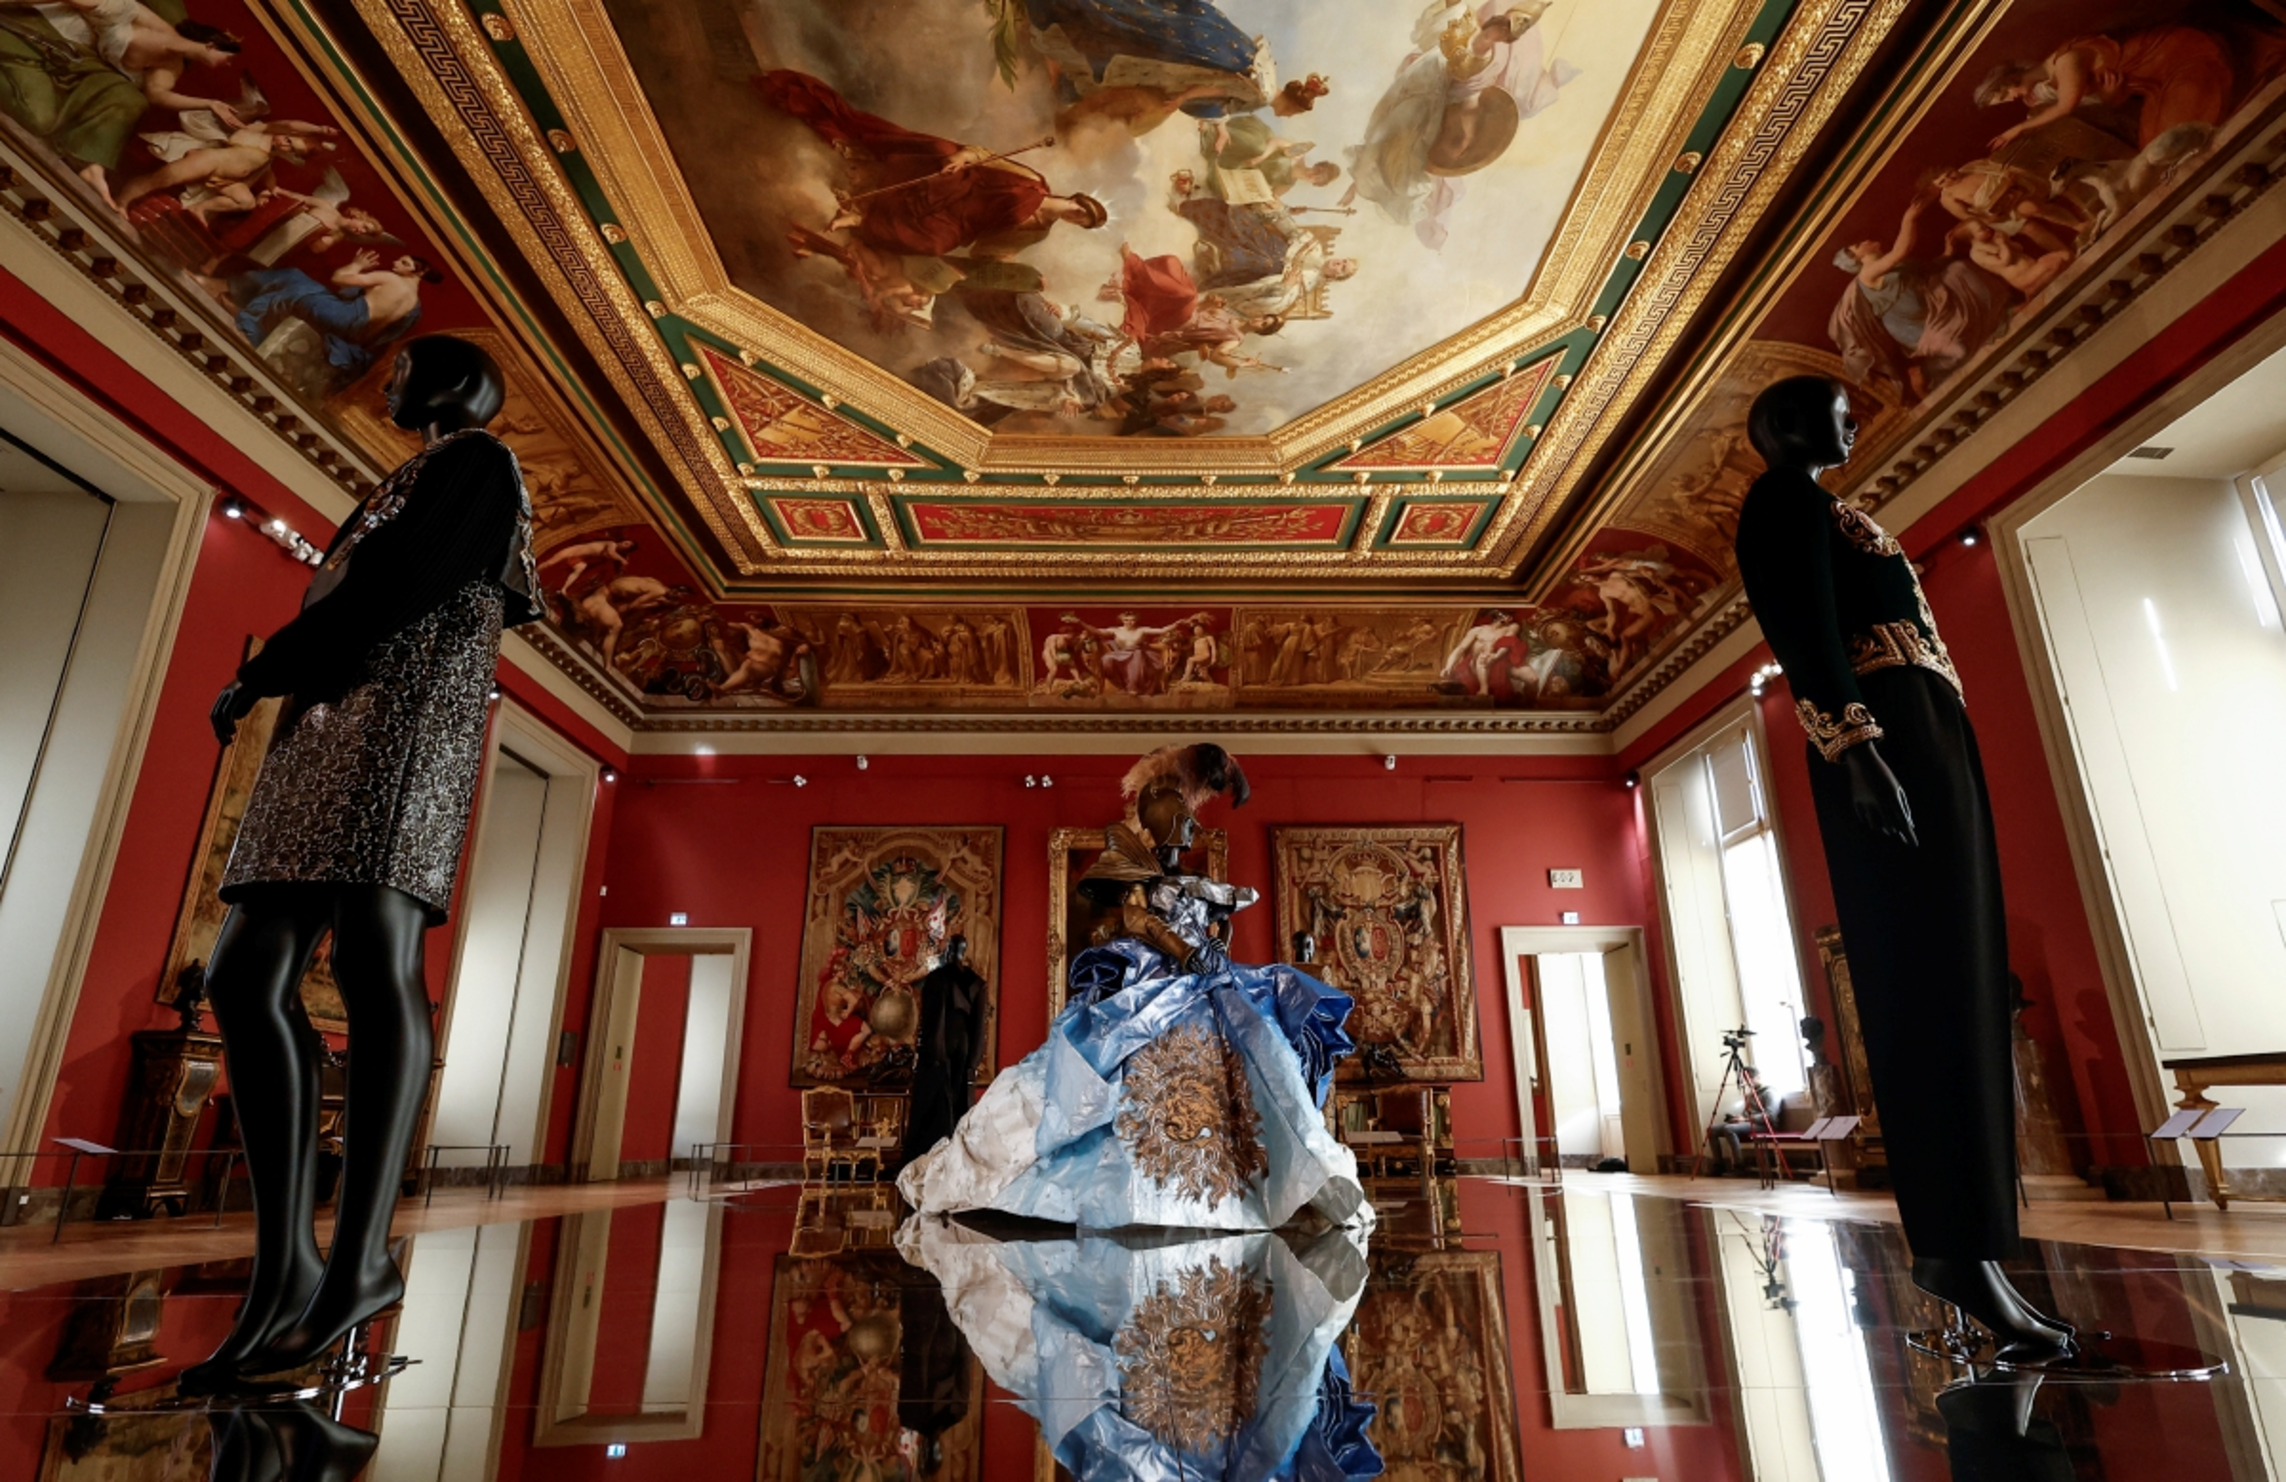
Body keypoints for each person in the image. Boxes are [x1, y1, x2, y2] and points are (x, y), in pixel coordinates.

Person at [188, 335, 539, 1392]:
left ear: (453, 383)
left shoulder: (480, 463)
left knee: (375, 960)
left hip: (402, 725)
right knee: (241, 977)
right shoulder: (412, 472)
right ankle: (286, 1263)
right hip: (327, 724)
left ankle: (360, 1258)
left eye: (400, 370)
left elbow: (402, 584)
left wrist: (269, 668)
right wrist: (281, 679)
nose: (383, 382)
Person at [1732, 374, 2075, 1363]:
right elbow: (1802, 628)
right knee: (1929, 979)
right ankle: (1956, 1249)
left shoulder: (1829, 507)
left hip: (1919, 729)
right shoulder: (1781, 502)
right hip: (1882, 734)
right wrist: (1854, 744)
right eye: (1838, 411)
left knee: (1961, 976)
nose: (1853, 422)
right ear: (1788, 422)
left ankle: (1978, 1249)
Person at [899, 744, 1365, 1229]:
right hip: (1156, 981)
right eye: (1184, 820)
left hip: (1209, 979)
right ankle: (1141, 1184)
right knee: (1116, 1058)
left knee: (1263, 1048)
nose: (1192, 828)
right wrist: (1184, 951)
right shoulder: (1139, 876)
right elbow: (1138, 920)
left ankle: (1302, 1169)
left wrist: (1214, 946)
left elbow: (1219, 920)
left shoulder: (1195, 882)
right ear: (1166, 822)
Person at [903, 935, 988, 1162]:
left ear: (950, 950)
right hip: (963, 1046)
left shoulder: (937, 978)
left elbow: (934, 1020)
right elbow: (979, 1027)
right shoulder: (976, 983)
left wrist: (935, 1054)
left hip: (939, 1048)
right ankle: (954, 1160)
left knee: (934, 1109)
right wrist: (973, 1062)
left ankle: (930, 1161)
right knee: (958, 1105)